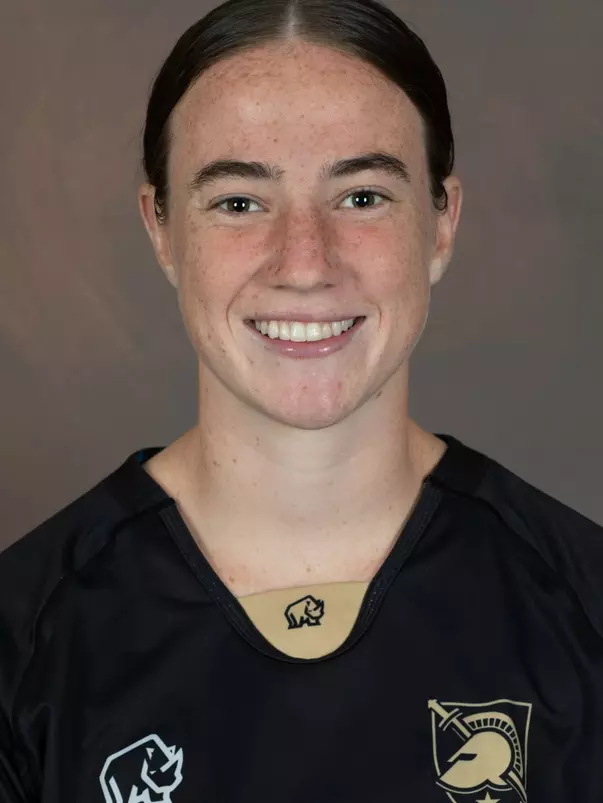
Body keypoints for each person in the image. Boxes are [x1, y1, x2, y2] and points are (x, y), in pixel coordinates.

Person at [1, 0, 602, 800]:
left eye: (361, 196)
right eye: (239, 202)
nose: (305, 262)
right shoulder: (24, 636)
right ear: (161, 229)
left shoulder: (582, 606)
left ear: (443, 221)